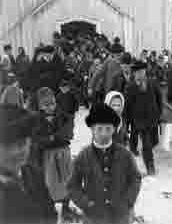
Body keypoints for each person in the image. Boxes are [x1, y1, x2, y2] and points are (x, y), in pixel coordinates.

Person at [67, 103, 142, 224]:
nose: (104, 133)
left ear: (114, 129)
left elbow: (135, 178)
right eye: (99, 129)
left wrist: (128, 201)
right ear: (92, 129)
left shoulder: (125, 154)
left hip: (120, 217)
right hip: (94, 217)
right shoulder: (83, 156)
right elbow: (72, 185)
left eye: (108, 129)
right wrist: (85, 203)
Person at [0, 104, 57, 224]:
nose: (16, 151)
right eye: (8, 145)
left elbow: (50, 213)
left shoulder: (33, 173)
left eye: (22, 143)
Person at [33, 87, 75, 222]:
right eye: (46, 105)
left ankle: (66, 207)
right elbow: (36, 140)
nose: (51, 107)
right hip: (48, 157)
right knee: (50, 183)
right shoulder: (36, 119)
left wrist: (53, 138)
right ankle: (50, 208)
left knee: (67, 180)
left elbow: (68, 133)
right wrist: (50, 139)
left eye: (52, 103)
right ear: (40, 106)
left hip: (63, 154)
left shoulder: (63, 116)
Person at [126, 61, 162, 175]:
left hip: (152, 117)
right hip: (139, 120)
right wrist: (128, 121)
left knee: (154, 141)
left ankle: (147, 154)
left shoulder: (153, 83)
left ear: (145, 71)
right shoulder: (130, 87)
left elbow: (159, 99)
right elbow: (127, 105)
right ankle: (150, 166)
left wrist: (158, 114)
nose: (140, 74)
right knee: (146, 144)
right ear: (134, 74)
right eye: (137, 72)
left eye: (142, 72)